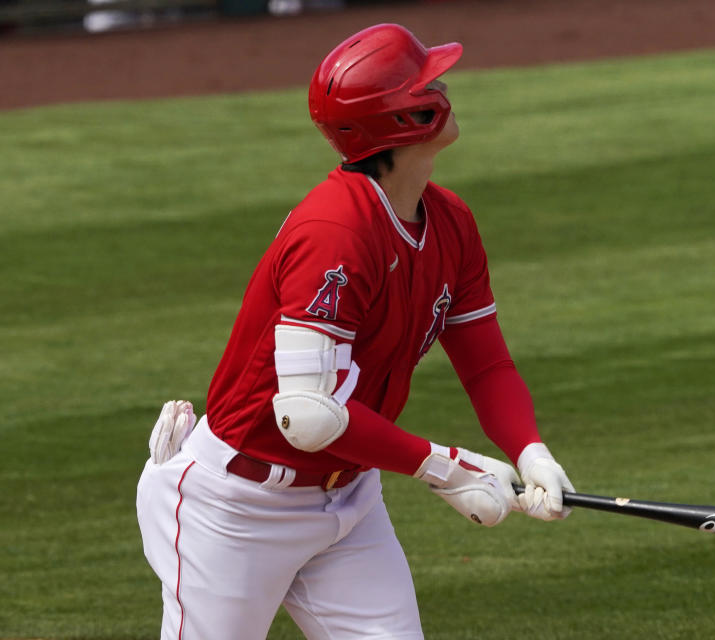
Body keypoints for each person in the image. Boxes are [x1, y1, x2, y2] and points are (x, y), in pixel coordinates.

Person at [136, 23, 575, 640]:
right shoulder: (336, 231)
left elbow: (486, 365)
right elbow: (309, 416)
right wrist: (445, 468)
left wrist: (531, 451)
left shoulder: (449, 220)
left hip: (348, 502)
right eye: (428, 82)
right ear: (403, 118)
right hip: (235, 509)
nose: (444, 86)